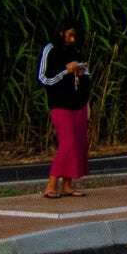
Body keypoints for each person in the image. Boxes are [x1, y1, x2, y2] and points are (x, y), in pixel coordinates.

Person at [38, 20, 92, 198]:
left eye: (74, 35)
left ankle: (67, 185)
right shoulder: (50, 49)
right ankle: (51, 184)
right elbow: (43, 78)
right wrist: (65, 72)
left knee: (79, 143)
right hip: (59, 103)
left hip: (78, 101)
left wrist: (81, 73)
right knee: (67, 143)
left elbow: (86, 76)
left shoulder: (76, 50)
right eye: (70, 35)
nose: (72, 39)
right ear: (61, 32)